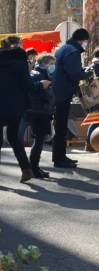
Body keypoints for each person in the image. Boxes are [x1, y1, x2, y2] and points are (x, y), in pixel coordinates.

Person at [0, 36, 50, 185]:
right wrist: (41, 85)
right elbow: (28, 86)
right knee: (13, 137)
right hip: (16, 106)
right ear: (15, 45)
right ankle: (26, 169)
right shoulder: (20, 62)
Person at [51, 28, 91, 168]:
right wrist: (86, 73)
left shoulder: (64, 49)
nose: (86, 45)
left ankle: (60, 156)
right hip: (63, 93)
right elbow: (75, 73)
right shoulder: (73, 52)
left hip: (59, 91)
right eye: (86, 42)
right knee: (61, 126)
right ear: (82, 40)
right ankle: (59, 159)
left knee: (60, 126)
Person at [26, 55, 55, 178]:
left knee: (39, 140)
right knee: (39, 140)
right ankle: (34, 167)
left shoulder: (36, 74)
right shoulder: (40, 76)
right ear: (44, 63)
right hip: (40, 111)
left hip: (35, 110)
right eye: (51, 63)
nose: (53, 66)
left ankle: (34, 166)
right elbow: (47, 95)